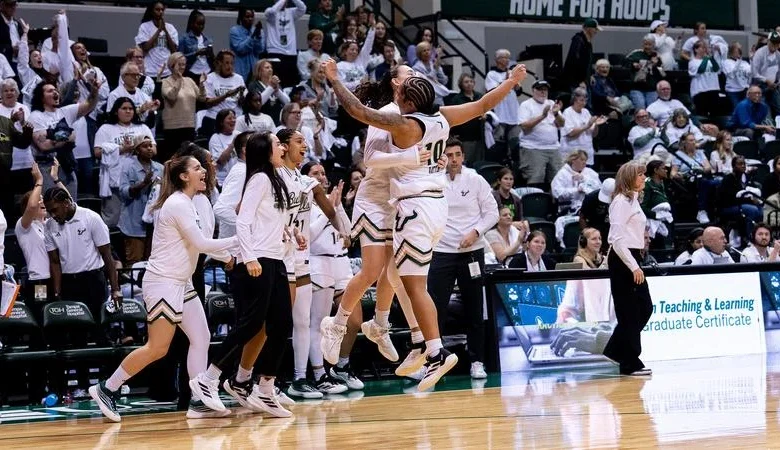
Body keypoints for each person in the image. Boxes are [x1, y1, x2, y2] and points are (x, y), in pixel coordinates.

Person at [320, 59, 527, 391]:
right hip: (434, 207)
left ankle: (432, 348)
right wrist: (512, 81)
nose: (401, 89)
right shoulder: (442, 116)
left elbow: (358, 110)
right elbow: (483, 103)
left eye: (405, 88)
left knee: (412, 284)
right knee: (396, 274)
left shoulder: (404, 124)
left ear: (410, 102)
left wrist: (333, 79)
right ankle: (404, 335)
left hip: (414, 206)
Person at [89, 155, 237, 423]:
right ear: (183, 176)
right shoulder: (177, 203)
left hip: (182, 282)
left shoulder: (191, 203)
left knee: (201, 338)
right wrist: (242, 238)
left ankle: (198, 401)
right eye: (197, 168)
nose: (204, 171)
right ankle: (106, 388)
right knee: (157, 348)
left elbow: (198, 246)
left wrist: (228, 257)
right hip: (163, 282)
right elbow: (202, 243)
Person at [188, 132, 295, 418]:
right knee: (250, 324)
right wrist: (249, 257)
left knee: (282, 324)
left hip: (275, 258)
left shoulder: (276, 178)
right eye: (277, 144)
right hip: (258, 259)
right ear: (265, 151)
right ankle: (209, 378)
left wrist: (288, 231)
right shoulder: (259, 179)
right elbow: (244, 220)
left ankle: (265, 387)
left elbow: (268, 217)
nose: (282, 148)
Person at [428, 137, 498, 380]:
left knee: (474, 309)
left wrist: (476, 232)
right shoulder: (433, 179)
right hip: (441, 252)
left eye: (458, 154)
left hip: (471, 252)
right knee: (435, 309)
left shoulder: (476, 180)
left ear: (463, 156)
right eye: (449, 155)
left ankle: (477, 360)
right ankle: (434, 361)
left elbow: (492, 213)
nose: (454, 159)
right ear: (442, 157)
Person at [302, 163, 362, 391]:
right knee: (320, 322)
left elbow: (348, 235)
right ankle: (321, 372)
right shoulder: (305, 203)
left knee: (355, 320)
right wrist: (331, 210)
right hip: (319, 261)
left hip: (342, 263)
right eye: (315, 173)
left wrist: (338, 207)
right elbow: (310, 236)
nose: (321, 177)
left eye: (323, 173)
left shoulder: (331, 200)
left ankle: (342, 365)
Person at [43, 186, 121, 330]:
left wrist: (115, 289)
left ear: (66, 203)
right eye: (49, 211)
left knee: (100, 330)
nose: (52, 215)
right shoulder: (49, 226)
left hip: (93, 281)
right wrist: (57, 291)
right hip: (69, 284)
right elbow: (54, 262)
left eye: (54, 210)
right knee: (76, 333)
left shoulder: (91, 218)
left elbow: (107, 256)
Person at [603, 161, 653, 376]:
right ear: (628, 177)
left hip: (632, 256)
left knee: (644, 307)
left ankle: (616, 349)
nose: (644, 178)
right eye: (640, 174)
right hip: (623, 259)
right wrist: (633, 266)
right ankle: (629, 361)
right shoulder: (620, 202)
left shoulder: (633, 200)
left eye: (644, 174)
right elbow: (616, 239)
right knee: (630, 311)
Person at [30, 79, 100, 200]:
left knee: (71, 203)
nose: (55, 92)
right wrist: (68, 137)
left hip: (66, 164)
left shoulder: (64, 111)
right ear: (41, 97)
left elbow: (89, 105)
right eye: (50, 91)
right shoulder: (35, 116)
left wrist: (94, 92)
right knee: (50, 204)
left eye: (56, 90)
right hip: (46, 166)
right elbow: (44, 146)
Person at [94, 98, 155, 228]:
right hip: (114, 179)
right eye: (124, 108)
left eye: (131, 108)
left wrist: (137, 149)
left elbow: (154, 149)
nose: (128, 111)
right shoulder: (106, 129)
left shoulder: (142, 127)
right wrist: (121, 149)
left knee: (138, 217)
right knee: (113, 218)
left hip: (138, 179)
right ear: (116, 111)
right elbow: (97, 152)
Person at [15, 163, 64, 320]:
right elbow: (31, 207)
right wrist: (39, 181)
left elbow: (67, 202)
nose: (41, 201)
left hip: (56, 278)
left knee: (57, 315)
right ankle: (39, 343)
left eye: (43, 198)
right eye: (39, 199)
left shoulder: (48, 224)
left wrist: (55, 179)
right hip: (39, 281)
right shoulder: (23, 227)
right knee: (41, 313)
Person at [118, 135, 163, 266]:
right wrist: (143, 184)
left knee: (153, 263)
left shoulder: (160, 168)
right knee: (135, 263)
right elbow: (123, 192)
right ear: (137, 150)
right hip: (133, 223)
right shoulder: (128, 166)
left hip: (154, 225)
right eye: (145, 146)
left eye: (150, 145)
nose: (149, 149)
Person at [0, 81, 33, 220]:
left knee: (27, 198)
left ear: (17, 93)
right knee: (7, 199)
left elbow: (25, 138)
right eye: (6, 90)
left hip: (25, 160)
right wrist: (12, 121)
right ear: (1, 94)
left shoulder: (24, 108)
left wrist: (23, 121)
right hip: (4, 165)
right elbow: (5, 131)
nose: (9, 93)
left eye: (12, 90)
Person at [161, 52, 201, 161]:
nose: (182, 67)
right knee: (174, 159)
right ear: (172, 65)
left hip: (189, 126)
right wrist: (178, 80)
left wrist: (201, 85)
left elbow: (201, 98)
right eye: (180, 64)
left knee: (188, 158)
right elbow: (171, 96)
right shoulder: (166, 82)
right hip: (173, 128)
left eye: (184, 64)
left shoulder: (189, 81)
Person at [716, 155, 763, 238]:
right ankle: (748, 237)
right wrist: (750, 200)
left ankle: (759, 235)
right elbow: (729, 199)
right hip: (728, 207)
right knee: (752, 209)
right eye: (740, 164)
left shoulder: (746, 178)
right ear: (734, 166)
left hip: (742, 204)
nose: (743, 166)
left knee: (760, 209)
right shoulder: (728, 179)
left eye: (744, 164)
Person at [201, 50, 245, 136]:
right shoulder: (210, 78)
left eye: (232, 63)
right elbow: (208, 103)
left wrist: (242, 96)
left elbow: (242, 104)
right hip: (215, 119)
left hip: (234, 120)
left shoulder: (238, 78)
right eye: (227, 63)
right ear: (219, 63)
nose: (230, 66)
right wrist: (226, 95)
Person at [264, 0, 307, 88]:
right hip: (275, 52)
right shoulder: (269, 11)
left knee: (290, 84)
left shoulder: (291, 12)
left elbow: (303, 8)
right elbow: (272, 11)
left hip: (290, 53)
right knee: (276, 84)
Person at [561, 87, 605, 165]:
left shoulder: (586, 112)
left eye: (585, 100)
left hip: (587, 154)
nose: (584, 103)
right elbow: (570, 133)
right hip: (573, 156)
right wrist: (587, 125)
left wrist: (596, 125)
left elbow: (594, 134)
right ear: (574, 99)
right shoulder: (567, 112)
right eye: (581, 100)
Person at [550, 149, 601, 215]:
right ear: (573, 160)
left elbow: (599, 189)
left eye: (585, 160)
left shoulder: (590, 172)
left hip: (589, 206)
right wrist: (576, 190)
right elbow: (557, 193)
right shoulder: (562, 173)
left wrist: (584, 179)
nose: (584, 162)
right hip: (568, 208)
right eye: (582, 160)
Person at [135, 1, 178, 78]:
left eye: (162, 10)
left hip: (167, 72)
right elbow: (145, 47)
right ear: (152, 11)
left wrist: (165, 30)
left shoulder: (170, 27)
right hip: (151, 71)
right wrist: (158, 31)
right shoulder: (144, 26)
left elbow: (174, 50)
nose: (160, 12)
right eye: (157, 10)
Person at [563, 18, 601, 90]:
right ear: (588, 29)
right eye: (595, 29)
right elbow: (575, 61)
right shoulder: (578, 40)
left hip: (585, 81)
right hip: (577, 82)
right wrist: (579, 81)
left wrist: (590, 75)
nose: (596, 32)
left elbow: (587, 62)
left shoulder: (587, 42)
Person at [229, 7, 265, 82]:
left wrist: (258, 37)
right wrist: (252, 37)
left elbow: (260, 50)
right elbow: (241, 49)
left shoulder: (258, 31)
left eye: (252, 17)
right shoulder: (234, 31)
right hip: (240, 70)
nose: (250, 19)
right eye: (247, 17)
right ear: (241, 18)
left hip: (254, 71)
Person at [580, 178, 614, 253]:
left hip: (612, 232)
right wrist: (587, 235)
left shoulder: (622, 199)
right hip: (595, 230)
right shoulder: (591, 198)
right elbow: (582, 217)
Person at [178, 10, 214, 81]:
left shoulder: (207, 40)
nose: (201, 26)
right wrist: (196, 53)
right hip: (191, 73)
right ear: (192, 24)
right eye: (198, 24)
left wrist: (210, 54)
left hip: (207, 72)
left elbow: (212, 59)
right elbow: (179, 58)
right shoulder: (184, 39)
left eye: (203, 24)